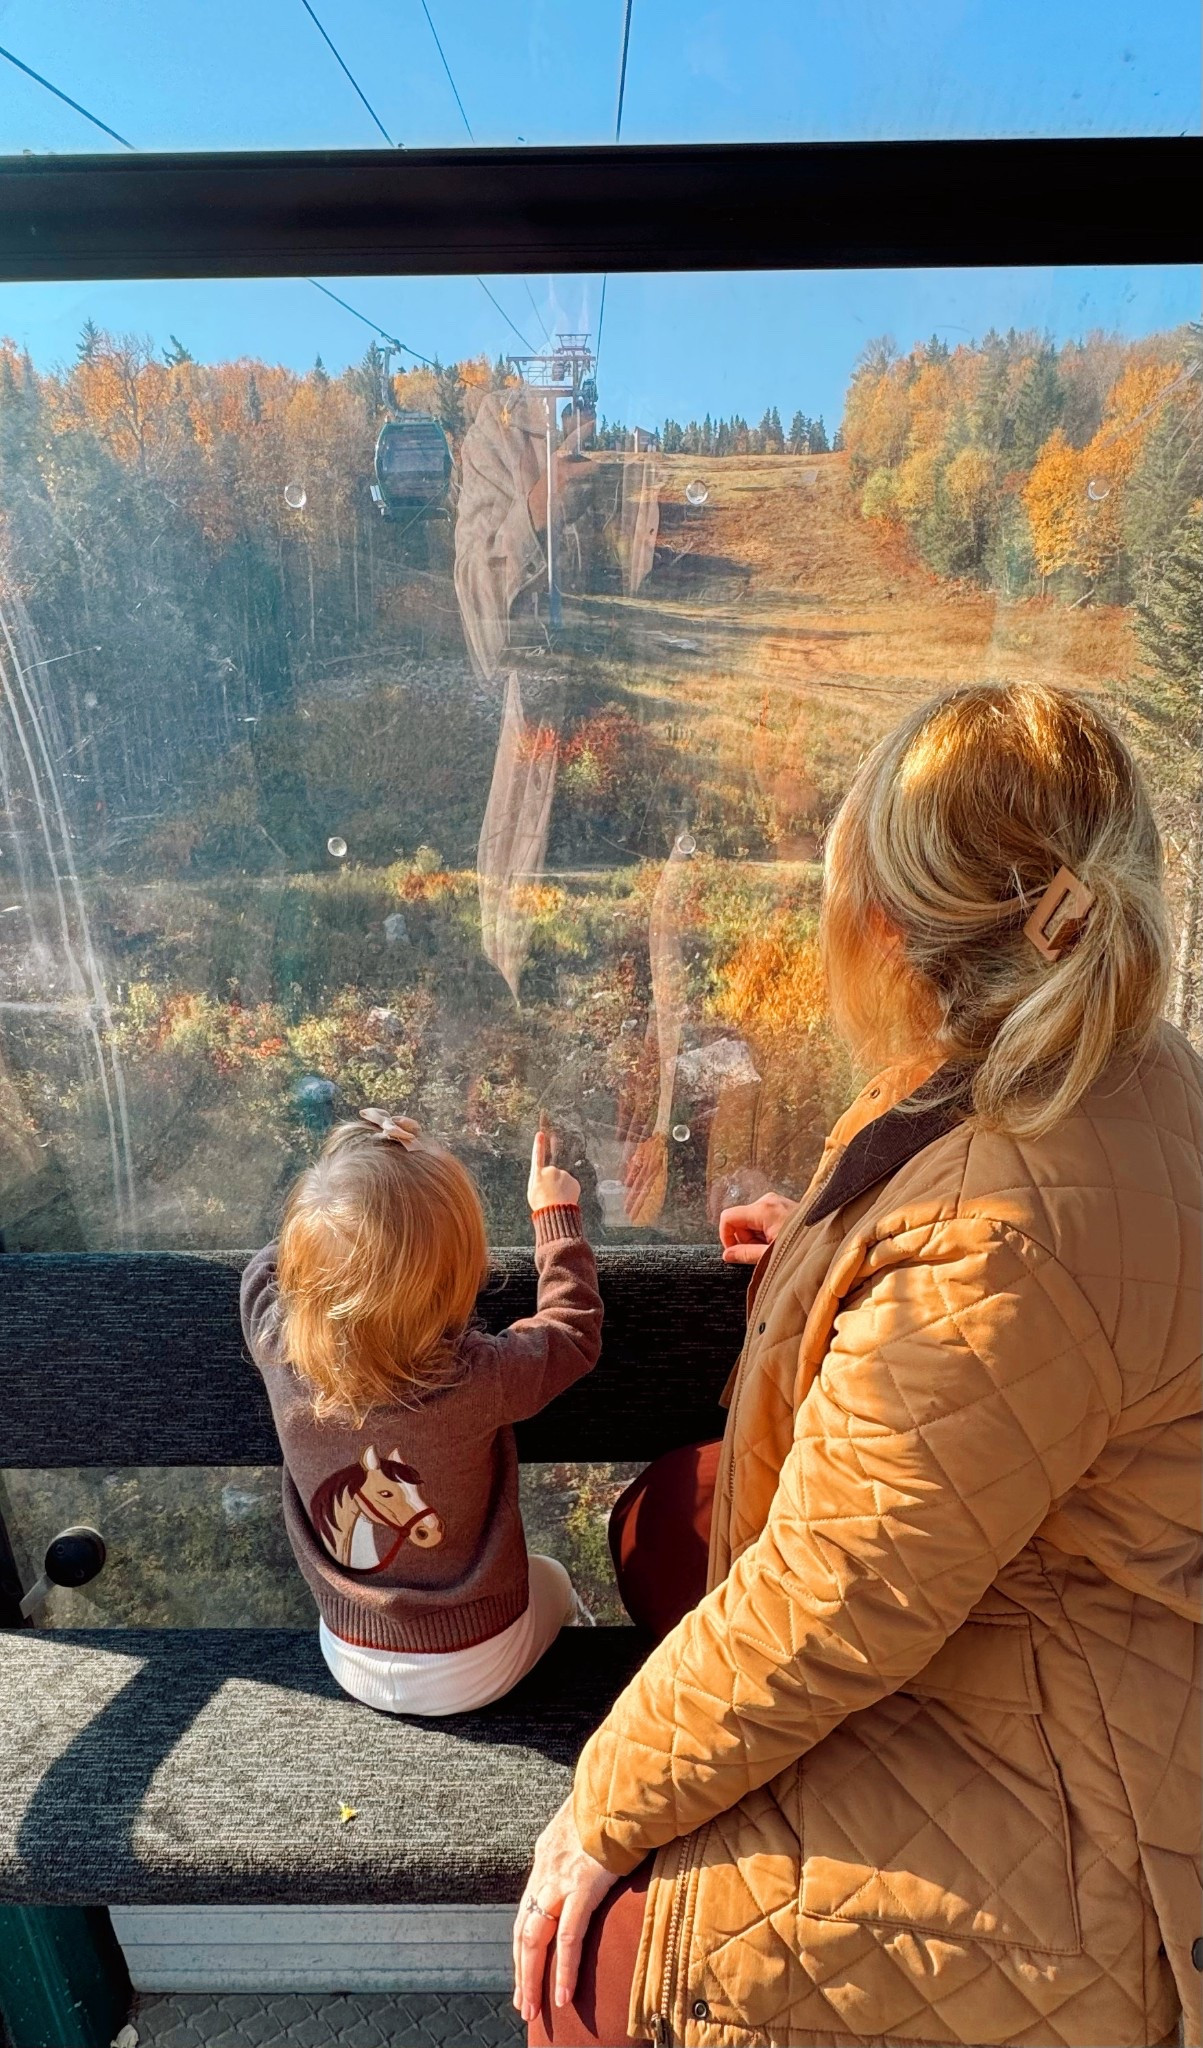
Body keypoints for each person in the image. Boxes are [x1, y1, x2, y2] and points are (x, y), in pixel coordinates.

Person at [512, 680, 1201, 2048]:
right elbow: (1006, 1308)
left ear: (890, 928)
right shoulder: (1101, 1058)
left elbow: (836, 1598)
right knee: (663, 1529)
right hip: (1064, 1575)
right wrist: (835, 1259)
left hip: (1085, 1768)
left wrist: (599, 1809)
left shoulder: (999, 1235)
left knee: (594, 1980)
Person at [241, 1115, 601, 1715]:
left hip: (350, 1653)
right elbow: (572, 1332)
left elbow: (266, 1268)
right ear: (459, 1279)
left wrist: (347, 1182)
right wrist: (555, 1217)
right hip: (481, 1657)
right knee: (555, 1579)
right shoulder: (483, 1376)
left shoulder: (275, 1344)